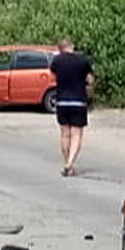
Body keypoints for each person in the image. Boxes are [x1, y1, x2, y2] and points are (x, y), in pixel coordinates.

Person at [49, 38, 94, 176]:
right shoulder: (83, 60)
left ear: (60, 48)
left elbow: (53, 75)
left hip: (61, 101)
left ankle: (67, 163)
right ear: (72, 46)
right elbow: (90, 80)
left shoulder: (56, 61)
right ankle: (70, 163)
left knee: (65, 134)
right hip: (78, 101)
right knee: (76, 134)